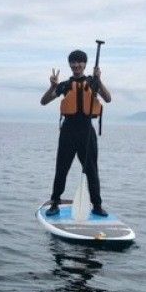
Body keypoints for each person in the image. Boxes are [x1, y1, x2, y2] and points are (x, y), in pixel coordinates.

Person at [40, 49, 111, 217]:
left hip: (87, 131)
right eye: (73, 62)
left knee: (92, 170)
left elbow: (108, 98)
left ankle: (97, 205)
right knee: (61, 169)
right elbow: (44, 101)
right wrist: (52, 87)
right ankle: (55, 203)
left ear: (85, 64)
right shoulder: (64, 85)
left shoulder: (93, 82)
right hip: (68, 131)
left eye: (80, 62)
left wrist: (99, 80)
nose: (76, 65)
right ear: (70, 65)